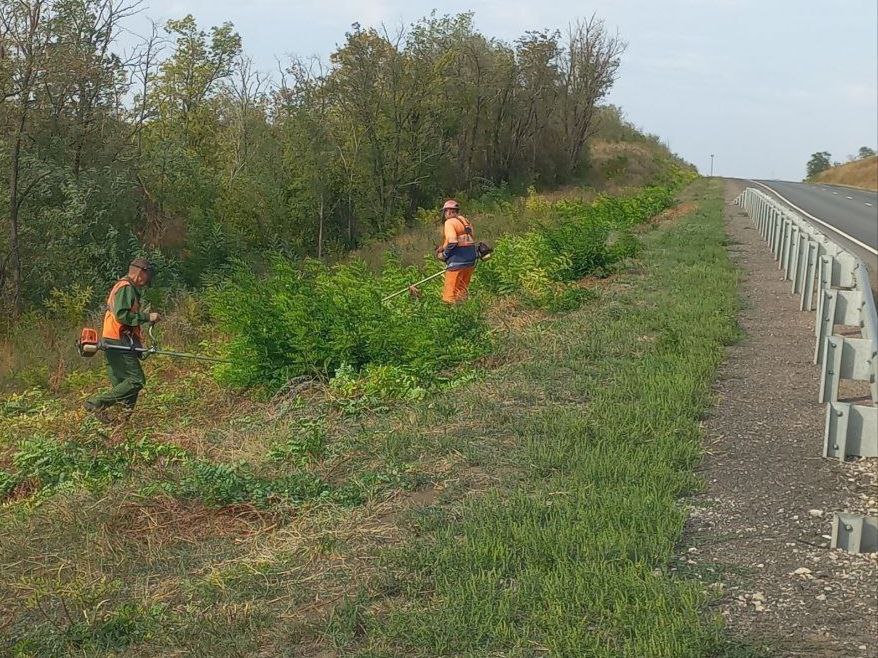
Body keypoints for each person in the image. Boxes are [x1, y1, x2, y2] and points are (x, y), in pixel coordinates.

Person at [84, 258, 160, 418]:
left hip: (114, 338)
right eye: (148, 276)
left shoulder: (125, 287)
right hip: (118, 339)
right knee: (136, 380)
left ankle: (121, 422)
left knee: (124, 386)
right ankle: (97, 403)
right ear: (141, 273)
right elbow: (121, 315)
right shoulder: (126, 288)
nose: (148, 281)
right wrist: (148, 317)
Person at [436, 199, 478, 303]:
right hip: (470, 260)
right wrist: (443, 246)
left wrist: (444, 255)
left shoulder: (449, 222)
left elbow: (453, 241)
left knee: (449, 293)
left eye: (445, 212)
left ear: (449, 211)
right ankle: (463, 310)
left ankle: (450, 314)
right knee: (462, 289)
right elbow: (471, 237)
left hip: (457, 260)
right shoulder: (465, 221)